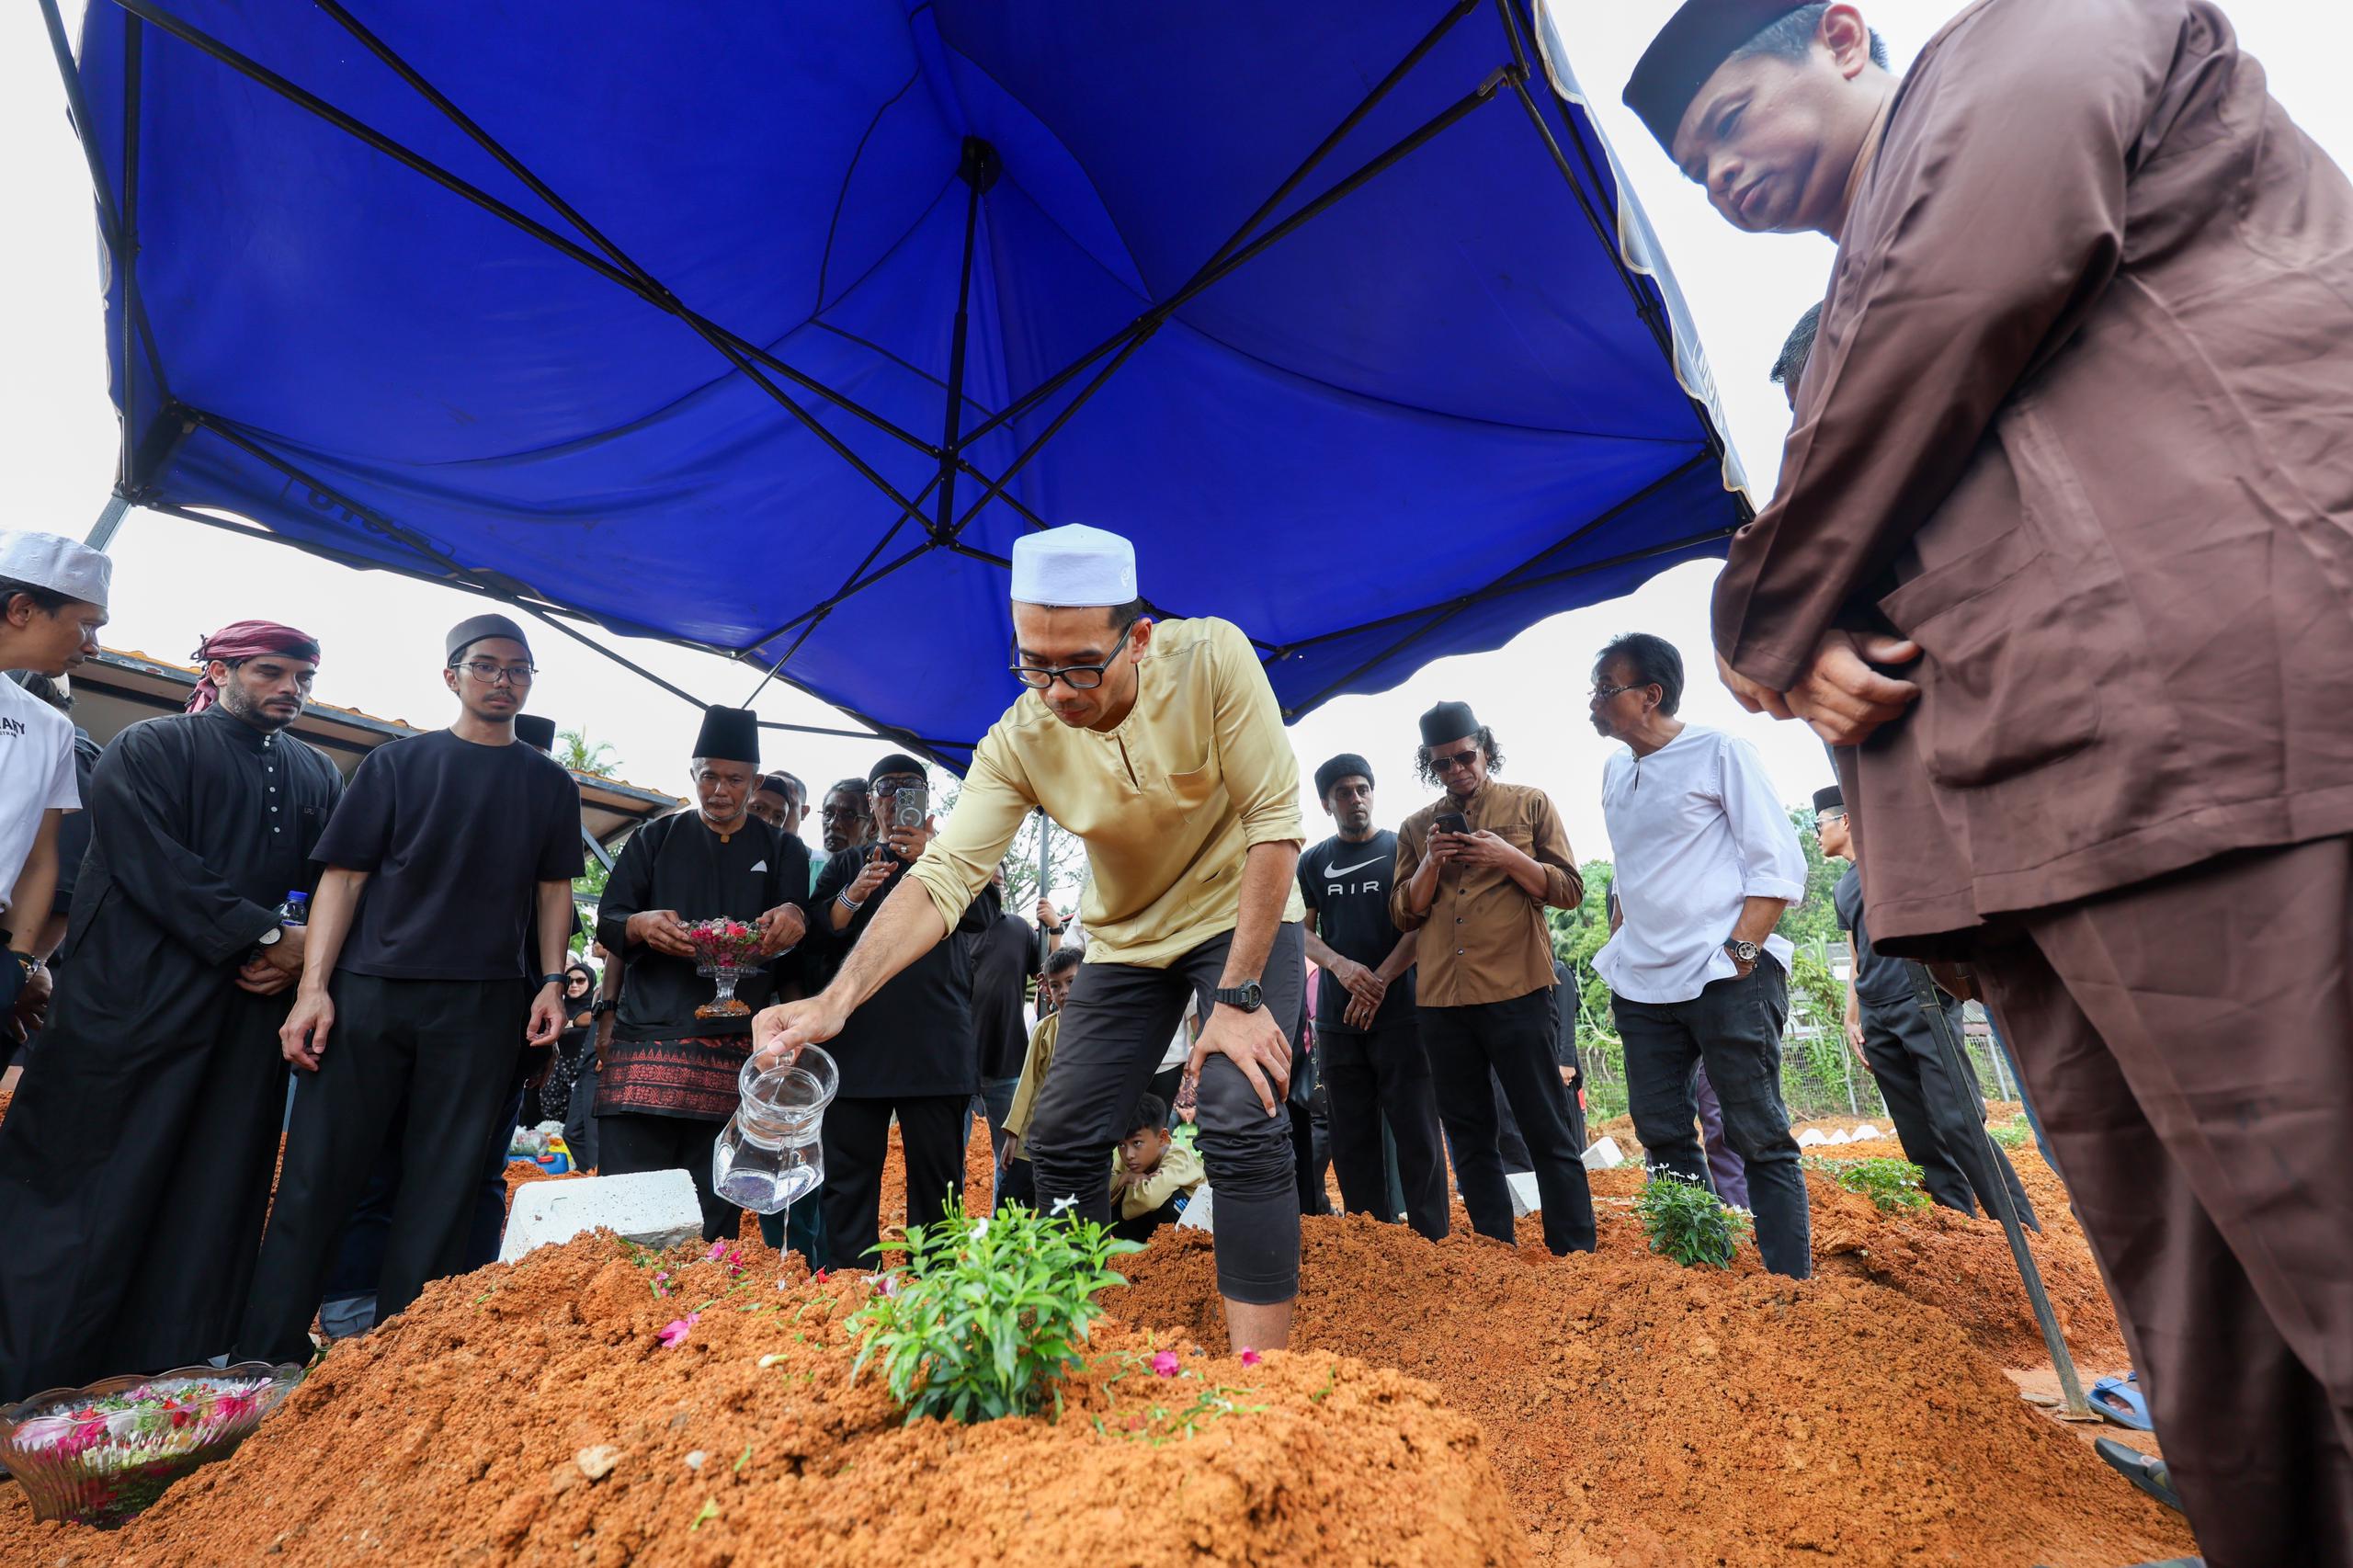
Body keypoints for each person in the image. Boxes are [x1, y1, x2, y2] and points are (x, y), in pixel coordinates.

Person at [1635, 4, 2353, 1553]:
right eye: (1692, 173)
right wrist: (1813, 631)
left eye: (1730, 120)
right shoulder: (1839, 338)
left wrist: (1762, 607)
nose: (1720, 179)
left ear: (1839, 37)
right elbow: (1864, 560)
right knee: (2221, 1367)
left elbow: (1952, 306)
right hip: (2042, 834)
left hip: (2221, 755)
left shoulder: (2034, 45)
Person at [756, 524, 1308, 1350]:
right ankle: (1079, 1347)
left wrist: (1234, 999)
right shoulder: (1020, 736)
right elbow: (943, 879)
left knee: (1236, 1102)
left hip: (1241, 917)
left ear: (1140, 637)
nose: (1057, 690)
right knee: (1059, 1137)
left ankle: (1265, 1373)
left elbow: (1273, 825)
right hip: (1126, 941)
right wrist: (835, 1000)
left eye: (1081, 663)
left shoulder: (1212, 660)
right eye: (1034, 663)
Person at [0, 622, 336, 1400]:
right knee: (87, 1190)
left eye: (302, 679)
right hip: (129, 1013)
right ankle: (27, 1388)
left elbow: (337, 879)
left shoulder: (318, 772)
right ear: (218, 671)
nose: (290, 689)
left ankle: (157, 1388)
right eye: (271, 672)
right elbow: (151, 862)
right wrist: (266, 934)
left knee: (208, 1193)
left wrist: (303, 950)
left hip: (242, 1023)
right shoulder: (150, 747)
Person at [235, 614, 580, 1364]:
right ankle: (266, 1360)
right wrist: (313, 989)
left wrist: (552, 983)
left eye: (518, 669)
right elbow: (344, 878)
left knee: (443, 1190)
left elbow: (555, 892)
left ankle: (395, 1364)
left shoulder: (549, 782)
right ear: (451, 676)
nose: (503, 680)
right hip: (370, 994)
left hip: (484, 1006)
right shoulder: (397, 766)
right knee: (318, 1176)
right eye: (486, 665)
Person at [1589, 632, 1810, 1276]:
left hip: (1725, 977)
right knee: (1662, 1134)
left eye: (1606, 689)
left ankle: (1790, 1291)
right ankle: (1701, 1277)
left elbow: (1779, 862)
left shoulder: (1721, 750)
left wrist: (1741, 951)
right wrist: (1619, 941)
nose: (1594, 703)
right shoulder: (1613, 770)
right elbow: (1631, 874)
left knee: (1757, 1134)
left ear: (1650, 695)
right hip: (1643, 988)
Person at [595, 708, 810, 1242]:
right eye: (708, 775)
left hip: (736, 1053)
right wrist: (641, 926)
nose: (719, 790)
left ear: (754, 782)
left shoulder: (784, 850)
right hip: (648, 1043)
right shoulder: (655, 839)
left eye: (734, 779)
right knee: (629, 1211)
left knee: (714, 1218)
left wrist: (794, 919)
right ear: (693, 775)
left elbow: (798, 937)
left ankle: (701, 1321)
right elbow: (611, 918)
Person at [1392, 701, 1596, 1255]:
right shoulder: (1415, 829)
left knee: (1545, 1127)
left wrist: (1509, 857)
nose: (1457, 769)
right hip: (1441, 1002)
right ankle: (1493, 1251)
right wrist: (1431, 862)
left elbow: (1569, 891)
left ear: (1484, 747)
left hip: (1518, 992)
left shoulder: (1529, 804)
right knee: (1468, 1133)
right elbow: (1404, 914)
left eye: (1465, 756)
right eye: (1443, 763)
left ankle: (1575, 1255)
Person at [1817, 785, 2036, 1226]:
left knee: (1959, 1121)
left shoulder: (1893, 867)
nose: (1815, 834)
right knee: (1918, 1137)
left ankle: (2022, 1231)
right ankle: (1960, 1227)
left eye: (1818, 823)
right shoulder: (1843, 889)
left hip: (1924, 1002)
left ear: (1846, 820)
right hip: (1878, 1014)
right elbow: (1857, 957)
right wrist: (1852, 1017)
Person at [806, 754, 986, 1270]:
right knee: (847, 1183)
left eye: (912, 788)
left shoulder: (951, 857)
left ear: (929, 801)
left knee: (938, 1184)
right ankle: (851, 1293)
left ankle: (935, 1296)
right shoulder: (845, 863)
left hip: (935, 1050)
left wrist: (932, 855)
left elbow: (984, 917)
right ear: (871, 802)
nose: (897, 798)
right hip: (855, 1049)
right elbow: (818, 935)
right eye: (887, 788)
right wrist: (852, 894)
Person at [1298, 754, 1445, 1238]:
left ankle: (1432, 1238)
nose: (1355, 799)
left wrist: (1378, 979)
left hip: (1403, 1013)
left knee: (1417, 1133)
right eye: (1343, 792)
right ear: (1326, 803)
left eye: (1362, 789)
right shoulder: (1313, 861)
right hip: (1339, 1024)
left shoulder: (1400, 849)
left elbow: (1423, 924)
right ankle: (1370, 1239)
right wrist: (1340, 966)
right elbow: (1299, 932)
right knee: (1351, 1137)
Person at [0, 532, 108, 1048]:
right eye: (86, 624)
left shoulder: (51, 728)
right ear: (22, 608)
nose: (94, 645)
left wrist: (20, 960)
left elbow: (42, 859)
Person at [963, 865, 1053, 1187]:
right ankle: (949, 1233)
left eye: (998, 883)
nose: (992, 890)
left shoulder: (1018, 929)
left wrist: (1053, 929)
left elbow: (1050, 977)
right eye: (986, 883)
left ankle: (1005, 1232)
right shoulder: (953, 928)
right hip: (958, 1064)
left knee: (1010, 1156)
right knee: (948, 1157)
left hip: (1006, 1061)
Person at [1000, 947, 1082, 1212]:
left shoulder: (1100, 1030)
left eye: (1071, 981)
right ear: (1046, 989)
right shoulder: (1044, 1029)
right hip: (1033, 1139)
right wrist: (1013, 1134)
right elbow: (1027, 1083)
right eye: (1056, 985)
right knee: (1014, 1208)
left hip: (1076, 1143)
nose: (1064, 991)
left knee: (1065, 1215)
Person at [1108, 1093, 1205, 1243]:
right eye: (1121, 1145)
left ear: (1162, 1138)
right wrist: (1125, 1178)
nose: (1129, 1155)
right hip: (1146, 1235)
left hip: (1196, 1232)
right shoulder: (1125, 1163)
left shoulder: (1178, 1157)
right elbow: (1101, 1193)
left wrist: (1124, 1184)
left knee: (1167, 1198)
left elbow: (1148, 1200)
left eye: (1137, 1143)